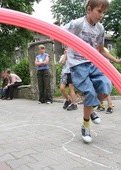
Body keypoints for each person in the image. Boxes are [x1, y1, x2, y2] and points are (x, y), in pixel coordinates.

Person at [64, 0, 121, 143]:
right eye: (99, 11)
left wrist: (116, 60)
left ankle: (91, 109)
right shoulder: (78, 24)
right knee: (89, 92)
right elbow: (59, 33)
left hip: (93, 62)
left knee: (107, 86)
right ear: (89, 9)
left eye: (103, 12)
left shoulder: (100, 28)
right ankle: (86, 125)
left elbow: (101, 50)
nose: (101, 15)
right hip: (78, 64)